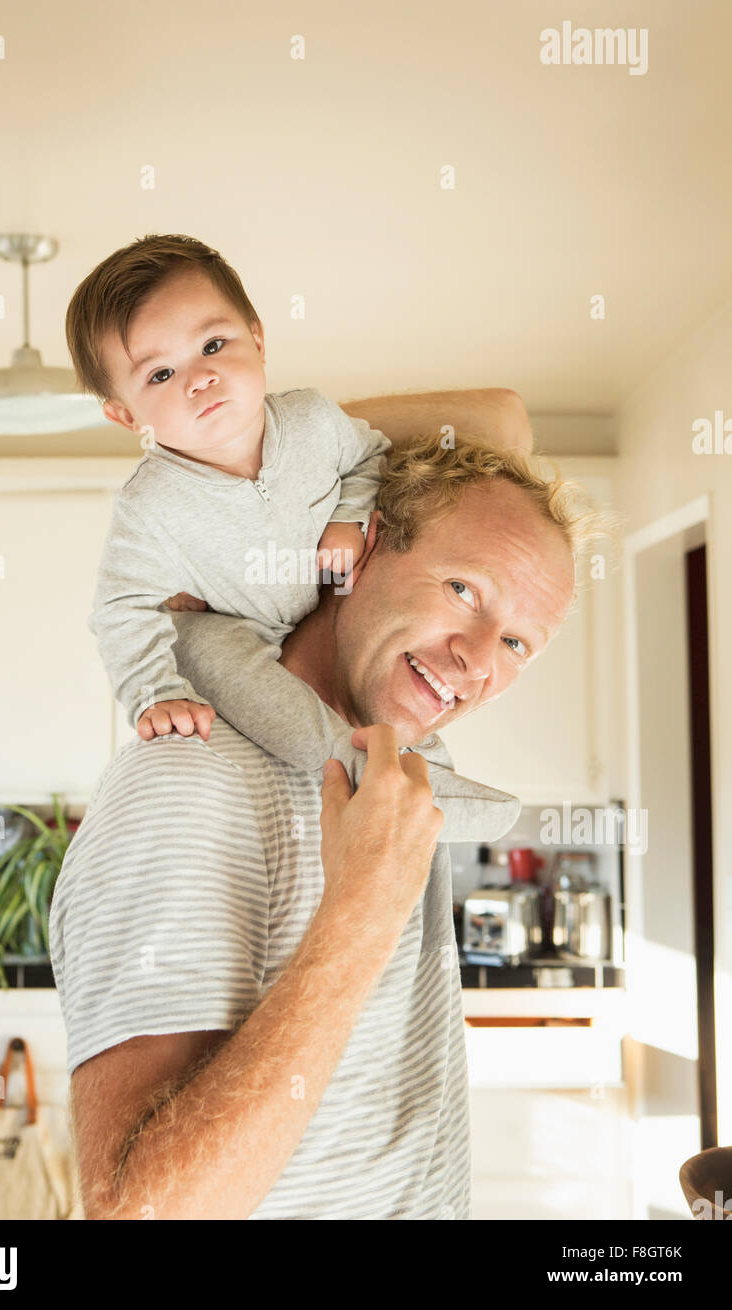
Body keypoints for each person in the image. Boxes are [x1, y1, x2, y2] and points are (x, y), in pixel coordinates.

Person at [49, 414, 600, 1220]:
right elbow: (140, 1213)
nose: (477, 661)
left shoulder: (397, 780)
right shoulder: (186, 783)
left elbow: (504, 411)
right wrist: (361, 911)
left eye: (517, 642)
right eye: (464, 591)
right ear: (363, 547)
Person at [66, 232, 528, 786]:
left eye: (213, 345)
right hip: (241, 630)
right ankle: (350, 769)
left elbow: (370, 457)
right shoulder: (150, 506)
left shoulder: (313, 419)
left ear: (258, 341)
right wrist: (153, 692)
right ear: (124, 414)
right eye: (160, 375)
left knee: (396, 676)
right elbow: (121, 610)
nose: (200, 378)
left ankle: (424, 771)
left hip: (331, 615)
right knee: (214, 655)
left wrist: (349, 519)